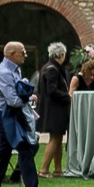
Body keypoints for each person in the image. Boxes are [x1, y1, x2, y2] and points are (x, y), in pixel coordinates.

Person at [0, 41, 51, 187]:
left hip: (8, 115)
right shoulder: (4, 72)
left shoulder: (14, 70)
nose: (26, 55)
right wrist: (29, 97)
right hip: (5, 115)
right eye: (23, 52)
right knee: (25, 148)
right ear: (11, 54)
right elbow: (13, 100)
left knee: (2, 153)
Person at [36, 43, 72, 179]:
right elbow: (52, 90)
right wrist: (67, 96)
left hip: (52, 108)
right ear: (61, 55)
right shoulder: (53, 69)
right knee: (55, 138)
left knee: (57, 138)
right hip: (54, 109)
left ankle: (58, 170)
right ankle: (44, 170)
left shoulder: (47, 67)